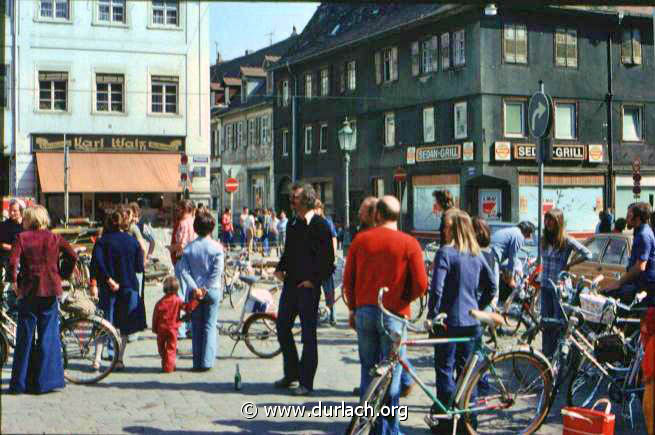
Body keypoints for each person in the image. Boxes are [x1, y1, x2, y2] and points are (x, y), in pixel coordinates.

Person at [344, 195, 428, 434]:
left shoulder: (361, 241)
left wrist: (353, 307)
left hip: (366, 312)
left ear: (377, 215)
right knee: (392, 374)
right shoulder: (409, 243)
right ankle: (389, 429)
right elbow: (422, 283)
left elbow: (348, 279)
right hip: (395, 315)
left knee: (368, 371)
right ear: (396, 216)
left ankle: (366, 423)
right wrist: (403, 299)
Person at [427, 208, 496, 430]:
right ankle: (468, 421)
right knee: (468, 373)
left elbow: (436, 290)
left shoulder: (445, 253)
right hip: (472, 322)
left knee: (445, 370)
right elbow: (492, 286)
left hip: (448, 323)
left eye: (445, 226)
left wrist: (432, 316)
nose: (442, 230)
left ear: (453, 228)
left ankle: (446, 423)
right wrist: (477, 304)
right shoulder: (476, 253)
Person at [7, 205, 77, 394]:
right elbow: (72, 255)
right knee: (48, 336)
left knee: (25, 337)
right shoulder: (54, 238)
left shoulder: (22, 238)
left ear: (28, 220)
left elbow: (13, 262)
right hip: (50, 289)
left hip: (28, 290)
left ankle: (20, 383)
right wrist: (62, 274)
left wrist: (13, 281)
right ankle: (46, 382)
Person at [273, 183, 335, 396]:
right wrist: (280, 268)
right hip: (290, 286)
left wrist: (314, 280)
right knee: (282, 327)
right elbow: (288, 253)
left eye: (296, 197)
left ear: (307, 200)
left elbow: (329, 261)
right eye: (291, 197)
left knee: (309, 336)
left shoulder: (321, 226)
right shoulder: (292, 224)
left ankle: (306, 382)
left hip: (308, 289)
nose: (292, 200)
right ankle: (291, 373)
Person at [604, 203, 655, 434]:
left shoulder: (644, 234)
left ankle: (628, 362)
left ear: (637, 217)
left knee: (633, 324)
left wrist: (620, 281)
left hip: (647, 289)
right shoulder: (638, 232)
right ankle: (626, 357)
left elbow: (641, 266)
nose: (626, 217)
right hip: (639, 286)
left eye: (629, 213)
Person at [90, 209, 145, 371]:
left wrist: (108, 279)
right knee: (125, 326)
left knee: (103, 323)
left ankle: (97, 359)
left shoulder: (102, 242)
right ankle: (119, 359)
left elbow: (96, 264)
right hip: (129, 286)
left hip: (108, 288)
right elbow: (139, 267)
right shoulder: (132, 242)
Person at [539, 208, 592, 358]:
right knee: (545, 321)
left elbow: (588, 253)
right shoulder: (544, 239)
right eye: (546, 219)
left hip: (559, 288)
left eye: (551, 220)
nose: (548, 223)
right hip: (545, 285)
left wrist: (570, 264)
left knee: (558, 322)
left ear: (558, 222)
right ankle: (546, 354)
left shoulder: (566, 241)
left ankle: (558, 355)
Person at [176, 210, 224, 371]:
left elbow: (183, 271)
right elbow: (217, 272)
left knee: (196, 326)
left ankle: (196, 362)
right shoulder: (217, 248)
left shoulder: (189, 248)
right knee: (210, 325)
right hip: (212, 290)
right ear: (212, 228)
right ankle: (207, 362)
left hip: (194, 292)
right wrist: (206, 288)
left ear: (195, 228)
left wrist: (195, 288)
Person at [152, 276, 203, 373]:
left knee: (161, 348)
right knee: (171, 349)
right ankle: (169, 365)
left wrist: (155, 329)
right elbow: (188, 307)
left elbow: (155, 317)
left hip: (161, 329)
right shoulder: (177, 300)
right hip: (173, 329)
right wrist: (196, 300)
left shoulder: (159, 302)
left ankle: (167, 363)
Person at [169, 199, 197, 338]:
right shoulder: (195, 222)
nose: (179, 211)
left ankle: (179, 329)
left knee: (179, 294)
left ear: (186, 210)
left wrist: (171, 247)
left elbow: (181, 245)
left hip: (182, 260)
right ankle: (191, 326)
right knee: (191, 295)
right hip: (195, 261)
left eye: (181, 209)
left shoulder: (182, 224)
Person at [489, 221, 535, 292]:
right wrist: (511, 278)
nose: (531, 236)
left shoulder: (512, 231)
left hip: (487, 255)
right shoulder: (519, 236)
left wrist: (512, 272)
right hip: (493, 258)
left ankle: (520, 282)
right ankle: (518, 287)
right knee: (494, 289)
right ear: (527, 231)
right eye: (531, 233)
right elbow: (512, 257)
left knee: (518, 263)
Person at [315, 200, 338, 326]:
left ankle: (332, 316)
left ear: (321, 209)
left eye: (316, 208)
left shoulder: (327, 222)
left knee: (329, 291)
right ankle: (316, 315)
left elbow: (334, 238)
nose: (314, 211)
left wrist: (333, 255)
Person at [472, 217, 499, 310]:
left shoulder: (477, 254)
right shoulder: (490, 252)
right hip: (488, 303)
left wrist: (478, 307)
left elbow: (491, 287)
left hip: (479, 304)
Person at [0, 199, 25, 277]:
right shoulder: (4, 225)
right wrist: (15, 248)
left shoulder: (27, 224)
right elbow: (2, 244)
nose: (11, 213)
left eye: (15, 211)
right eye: (10, 210)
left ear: (21, 211)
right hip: (10, 256)